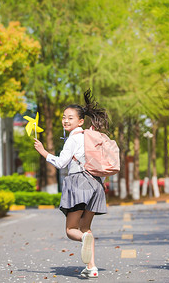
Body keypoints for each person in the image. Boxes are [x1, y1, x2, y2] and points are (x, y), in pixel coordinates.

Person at [33, 89, 109, 278]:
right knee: (86, 228)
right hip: (96, 185)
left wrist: (43, 151)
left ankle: (85, 241)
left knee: (71, 230)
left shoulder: (74, 139)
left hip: (79, 183)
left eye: (70, 118)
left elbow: (61, 163)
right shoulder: (91, 136)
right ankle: (92, 268)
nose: (65, 121)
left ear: (80, 121)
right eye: (64, 117)